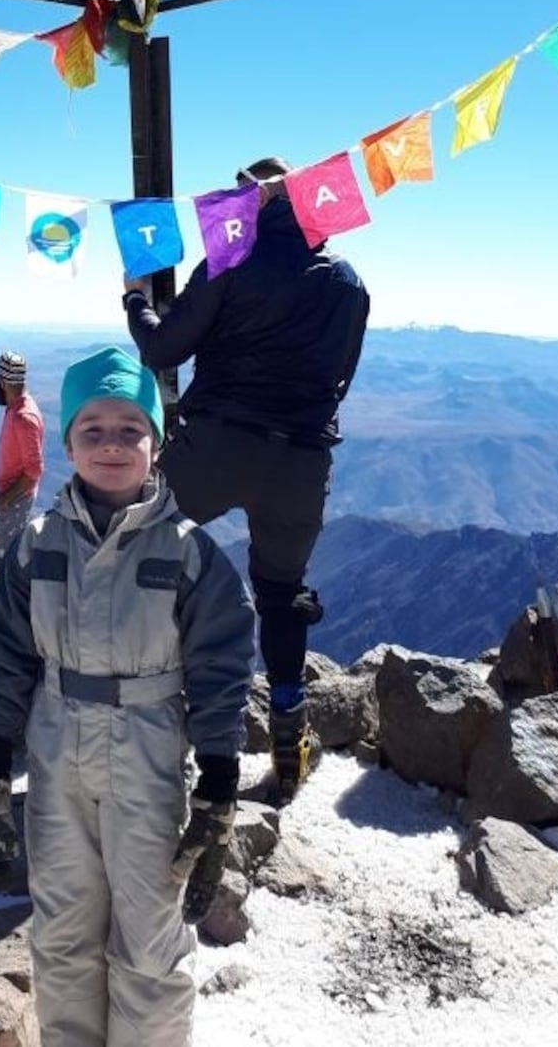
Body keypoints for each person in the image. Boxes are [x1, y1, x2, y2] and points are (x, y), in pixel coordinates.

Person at [0, 346, 256, 1047]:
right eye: (92, 428)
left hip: (149, 756)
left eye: (132, 428)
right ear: (66, 444)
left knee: (150, 943)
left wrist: (218, 786)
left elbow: (221, 669)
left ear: (157, 444)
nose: (112, 444)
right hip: (57, 751)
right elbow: (5, 658)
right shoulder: (37, 547)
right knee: (61, 934)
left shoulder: (188, 554)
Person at [123, 156, 370, 802]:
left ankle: (135, 721)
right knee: (282, 595)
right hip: (301, 463)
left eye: (239, 194)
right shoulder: (349, 282)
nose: (228, 205)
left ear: (260, 200)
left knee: (137, 552)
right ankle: (289, 743)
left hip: (216, 446)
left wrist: (132, 299)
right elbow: (341, 373)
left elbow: (162, 350)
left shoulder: (230, 262)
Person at [0, 350, 45, 562]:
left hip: (16, 497)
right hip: (13, 494)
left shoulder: (23, 417)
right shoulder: (18, 408)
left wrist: (6, 498)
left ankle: (12, 594)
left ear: (2, 382)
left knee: (6, 553)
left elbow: (34, 470)